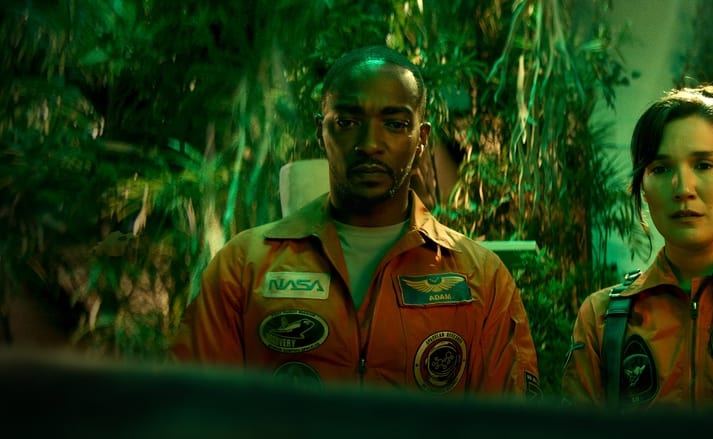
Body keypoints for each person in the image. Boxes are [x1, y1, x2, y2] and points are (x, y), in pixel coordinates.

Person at [171, 45, 541, 399]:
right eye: (347, 122)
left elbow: (509, 422)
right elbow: (193, 409)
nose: (369, 143)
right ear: (321, 132)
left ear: (422, 139)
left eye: (395, 124)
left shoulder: (481, 278)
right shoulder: (243, 266)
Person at [561, 85, 713, 414]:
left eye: (703, 165)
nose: (683, 188)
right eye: (661, 169)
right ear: (643, 189)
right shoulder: (603, 320)